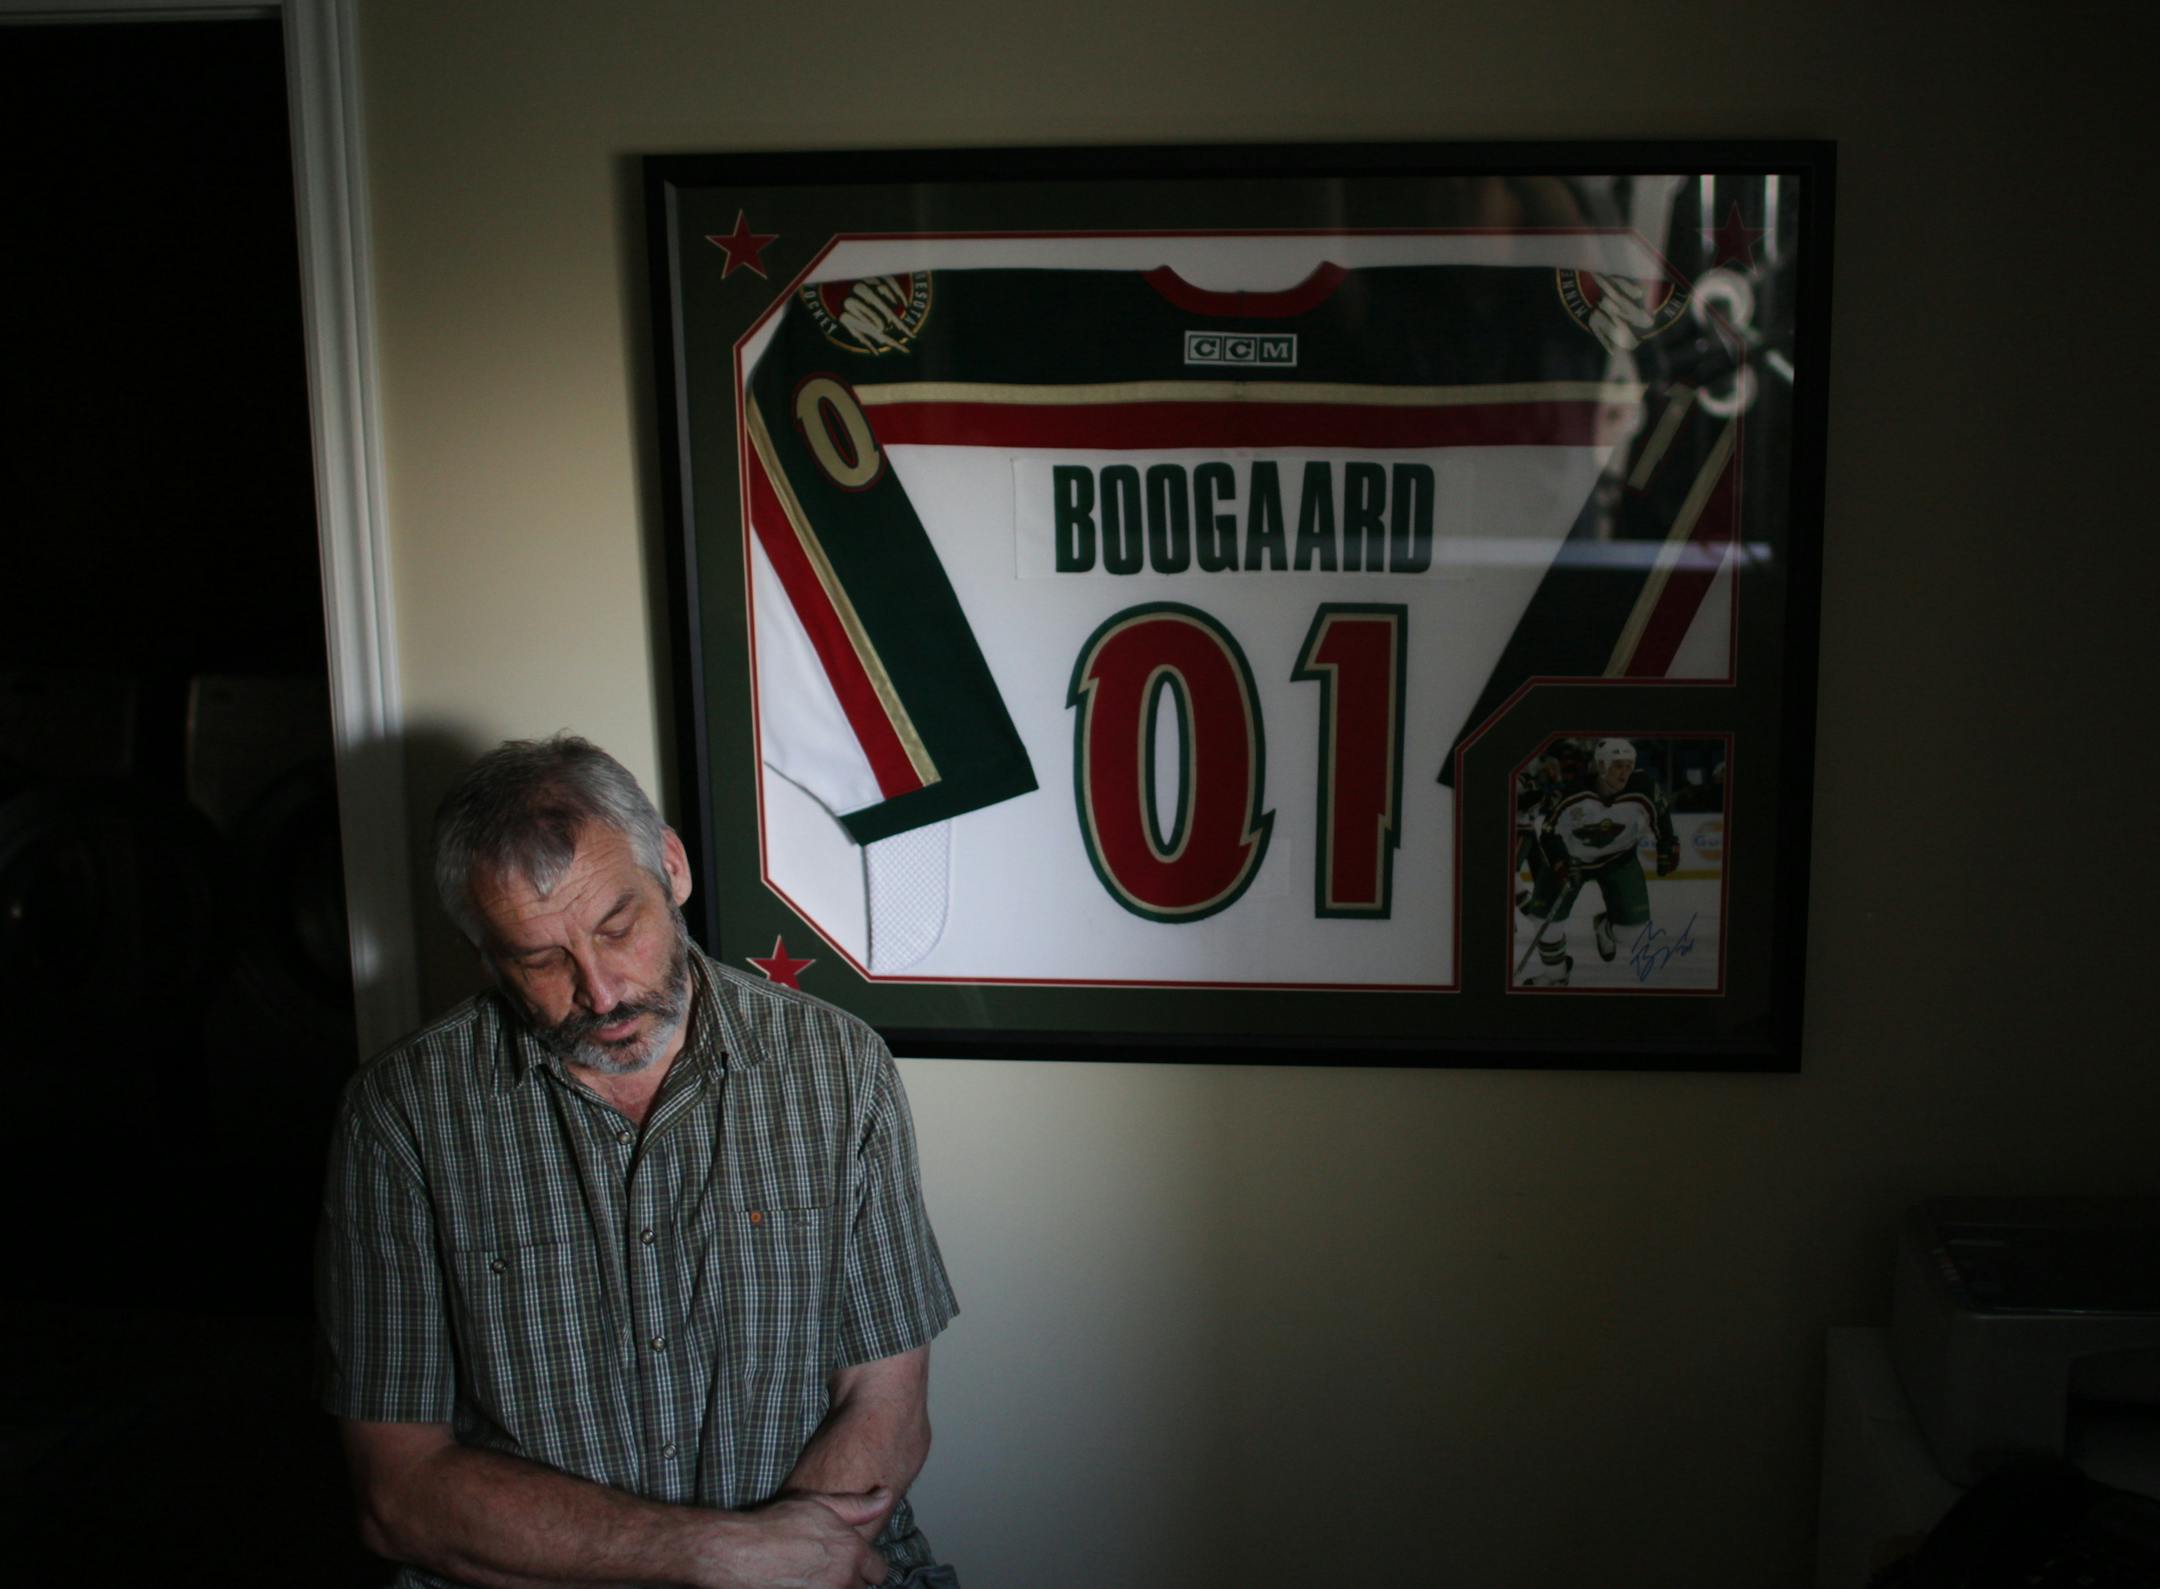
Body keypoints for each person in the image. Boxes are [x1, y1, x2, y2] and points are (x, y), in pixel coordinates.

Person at [316, 734, 959, 1589]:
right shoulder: (402, 1114)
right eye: (541, 960)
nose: (604, 990)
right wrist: (713, 1558)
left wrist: (785, 1566)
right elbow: (397, 1491)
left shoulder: (839, 1067)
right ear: (485, 957)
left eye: (619, 926)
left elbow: (886, 1406)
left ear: (672, 867)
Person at [1514, 737, 1679, 986]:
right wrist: (1560, 862)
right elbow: (1549, 832)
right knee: (1544, 923)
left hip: (1618, 859)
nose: (1624, 772)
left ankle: (1606, 928)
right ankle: (1556, 976)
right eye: (1617, 766)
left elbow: (1661, 815)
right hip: (1572, 859)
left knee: (1631, 933)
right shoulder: (1575, 793)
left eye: (1628, 765)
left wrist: (1668, 843)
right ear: (1602, 766)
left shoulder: (1643, 786)